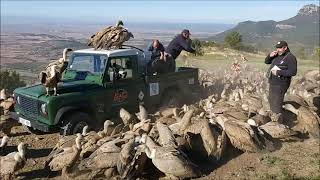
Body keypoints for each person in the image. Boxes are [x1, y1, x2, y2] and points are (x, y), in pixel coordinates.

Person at [265, 40, 297, 123]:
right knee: (272, 102)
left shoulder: (290, 57)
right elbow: (266, 62)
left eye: (280, 48)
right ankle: (274, 122)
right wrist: (270, 56)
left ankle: (279, 124)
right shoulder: (277, 55)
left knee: (277, 106)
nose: (278, 50)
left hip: (281, 84)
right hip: (272, 82)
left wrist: (279, 72)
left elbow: (293, 72)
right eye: (277, 48)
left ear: (285, 48)